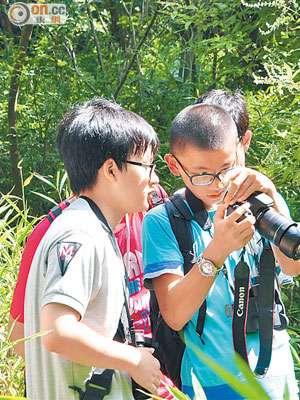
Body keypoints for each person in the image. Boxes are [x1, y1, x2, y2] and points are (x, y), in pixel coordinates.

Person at [141, 103, 300, 399]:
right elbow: (174, 315)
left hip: (277, 377)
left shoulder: (258, 203)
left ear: (240, 150)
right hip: (210, 382)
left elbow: (292, 266)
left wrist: (273, 196)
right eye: (202, 173)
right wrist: (219, 249)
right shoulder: (164, 221)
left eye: (226, 169)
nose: (217, 183)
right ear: (174, 166)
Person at [23, 97, 161, 400]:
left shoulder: (86, 226)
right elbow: (58, 332)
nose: (155, 178)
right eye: (148, 165)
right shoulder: (81, 233)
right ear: (111, 171)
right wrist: (134, 359)